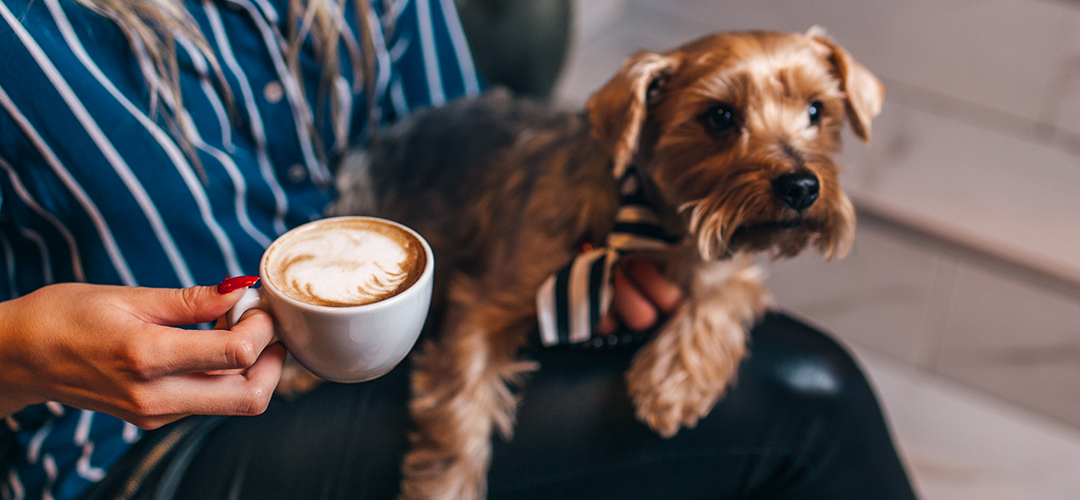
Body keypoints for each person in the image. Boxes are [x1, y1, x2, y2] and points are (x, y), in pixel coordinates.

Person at [0, 0, 919, 498]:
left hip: (397, 341)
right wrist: (18, 353)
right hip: (132, 447)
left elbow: (458, 147)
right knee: (807, 400)